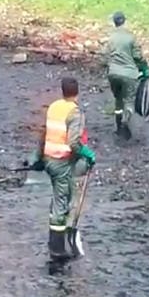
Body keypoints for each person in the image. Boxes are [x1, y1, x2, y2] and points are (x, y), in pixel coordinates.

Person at [35, 75, 97, 260]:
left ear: (62, 91)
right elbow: (74, 142)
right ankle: (57, 249)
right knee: (62, 202)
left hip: (49, 159)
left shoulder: (54, 107)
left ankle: (56, 237)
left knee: (58, 197)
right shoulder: (75, 112)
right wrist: (88, 154)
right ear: (77, 92)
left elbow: (44, 132)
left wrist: (39, 157)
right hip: (61, 161)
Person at [100, 10, 149, 135]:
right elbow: (138, 56)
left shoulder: (111, 38)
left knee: (118, 99)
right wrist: (144, 68)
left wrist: (108, 68)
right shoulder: (130, 37)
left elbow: (104, 57)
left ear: (114, 22)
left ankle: (118, 125)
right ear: (124, 21)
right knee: (129, 100)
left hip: (113, 74)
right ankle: (125, 121)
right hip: (129, 74)